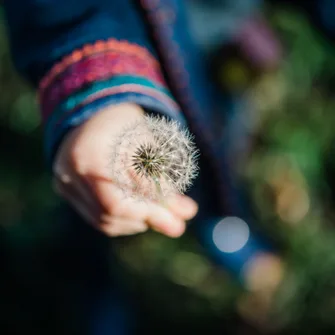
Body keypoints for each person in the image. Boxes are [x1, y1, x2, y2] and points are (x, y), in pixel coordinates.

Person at [4, 0, 334, 333]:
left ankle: (221, 227)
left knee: (219, 142)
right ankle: (95, 292)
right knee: (94, 199)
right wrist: (98, 91)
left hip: (218, 39)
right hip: (121, 54)